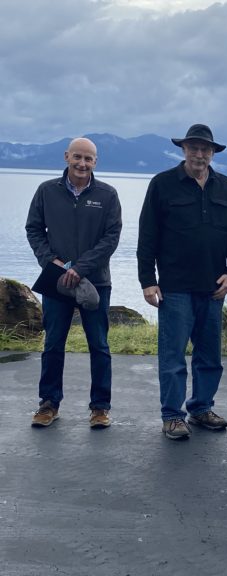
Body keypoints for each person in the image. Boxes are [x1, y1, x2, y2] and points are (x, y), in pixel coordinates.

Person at [137, 124, 227, 440]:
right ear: (184, 150)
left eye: (205, 149)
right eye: (194, 148)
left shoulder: (226, 187)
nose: (199, 154)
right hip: (175, 287)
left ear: (212, 153)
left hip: (214, 288)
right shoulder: (162, 184)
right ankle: (172, 415)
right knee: (173, 357)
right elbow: (148, 236)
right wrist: (147, 281)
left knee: (210, 357)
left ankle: (201, 408)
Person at [25, 137, 122, 428]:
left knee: (99, 345)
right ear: (67, 156)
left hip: (96, 282)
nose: (82, 163)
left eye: (88, 159)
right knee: (53, 344)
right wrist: (50, 261)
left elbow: (111, 238)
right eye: (77, 157)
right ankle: (48, 404)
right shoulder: (46, 191)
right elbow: (34, 229)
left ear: (95, 162)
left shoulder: (108, 195)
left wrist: (80, 269)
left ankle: (100, 408)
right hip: (57, 281)